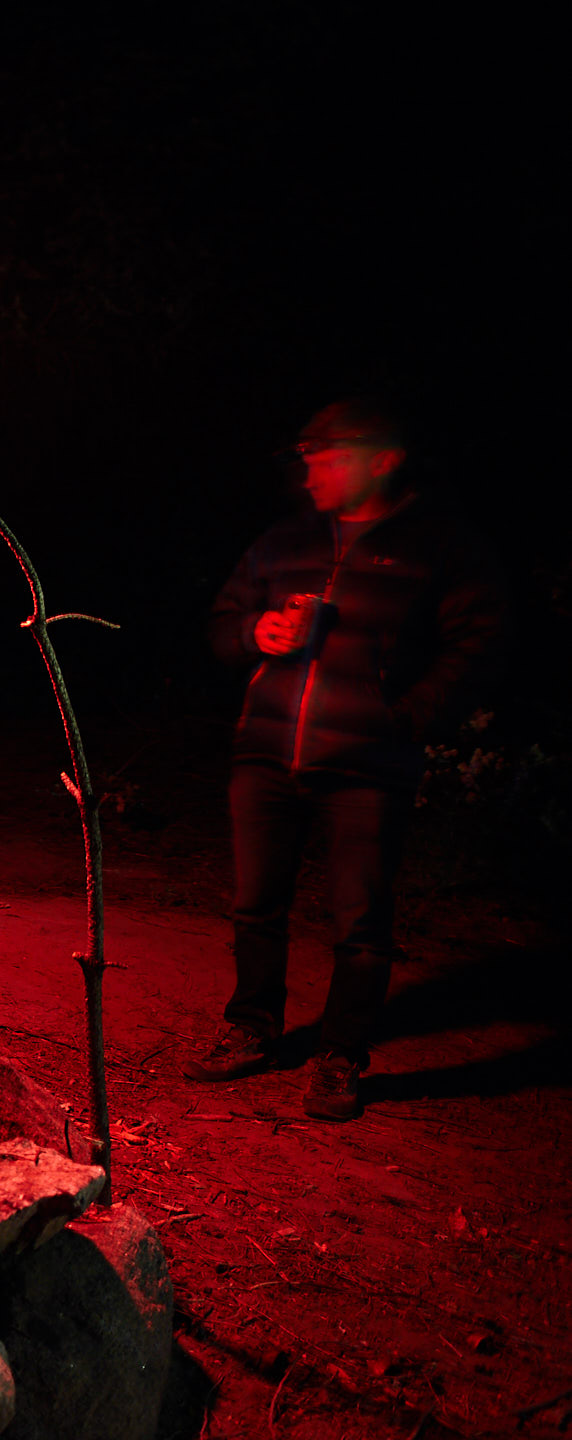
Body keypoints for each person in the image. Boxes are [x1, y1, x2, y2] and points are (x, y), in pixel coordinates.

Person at [187, 399, 507, 1119]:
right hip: (266, 752)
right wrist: (252, 631)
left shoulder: (438, 547)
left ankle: (340, 1054)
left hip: (368, 764)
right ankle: (252, 1028)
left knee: (361, 920)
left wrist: (405, 717)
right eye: (305, 459)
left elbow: (481, 640)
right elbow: (219, 623)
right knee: (255, 904)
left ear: (383, 459)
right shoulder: (285, 539)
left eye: (326, 458)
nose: (310, 474)